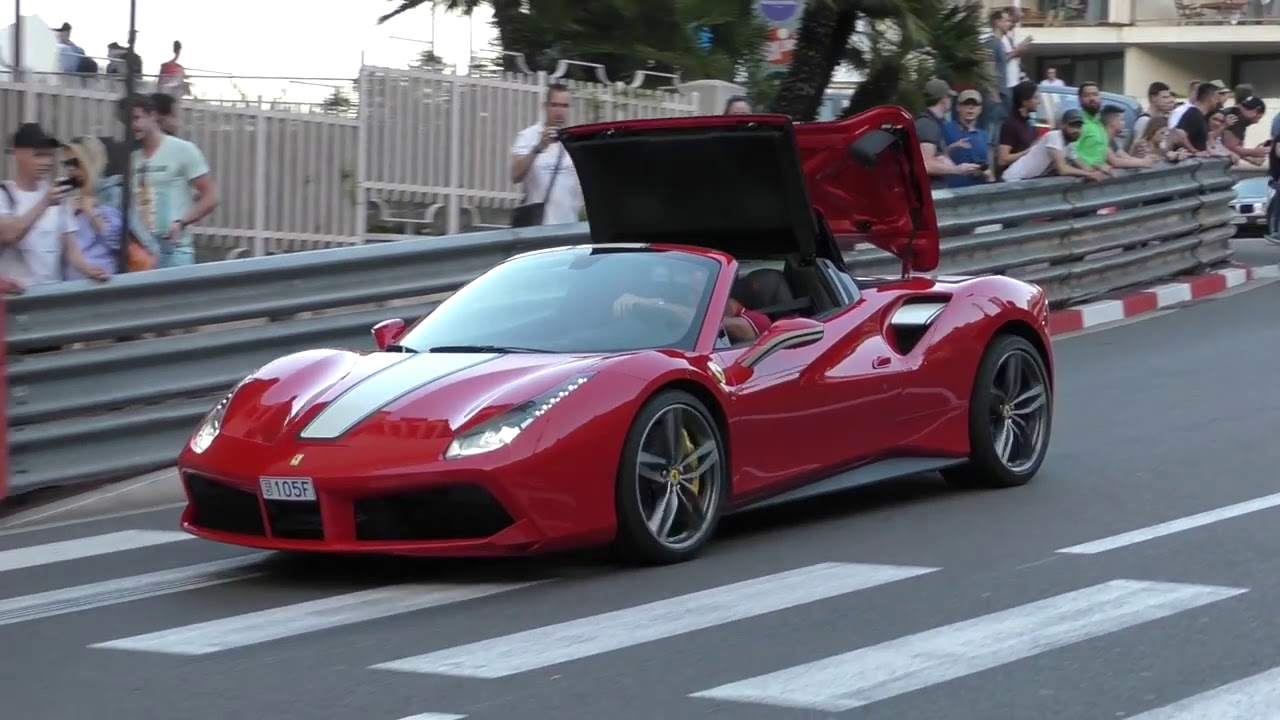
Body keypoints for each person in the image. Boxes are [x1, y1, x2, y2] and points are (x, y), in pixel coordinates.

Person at [0, 123, 108, 289]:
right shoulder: (5, 194)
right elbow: (9, 234)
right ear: (18, 153)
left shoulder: (57, 195)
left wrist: (89, 269)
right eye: (39, 155)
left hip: (50, 298)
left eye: (50, 156)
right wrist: (44, 203)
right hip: (15, 301)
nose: (47, 162)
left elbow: (70, 249)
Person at [124, 94, 218, 268]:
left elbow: (210, 197)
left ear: (153, 115)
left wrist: (181, 222)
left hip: (175, 250)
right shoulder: (132, 157)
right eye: (128, 121)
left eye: (137, 118)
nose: (133, 125)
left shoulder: (183, 150)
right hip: (142, 252)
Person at [509, 83, 583, 226]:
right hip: (538, 227)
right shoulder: (528, 136)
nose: (559, 111)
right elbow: (515, 175)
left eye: (564, 106)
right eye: (555, 105)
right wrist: (538, 147)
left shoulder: (574, 139)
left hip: (568, 226)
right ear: (545, 106)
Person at [61, 136, 122, 279]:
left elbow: (117, 241)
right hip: (69, 284)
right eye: (68, 164)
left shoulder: (111, 193)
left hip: (100, 281)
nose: (72, 170)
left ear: (89, 162)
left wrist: (91, 212)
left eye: (76, 163)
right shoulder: (70, 198)